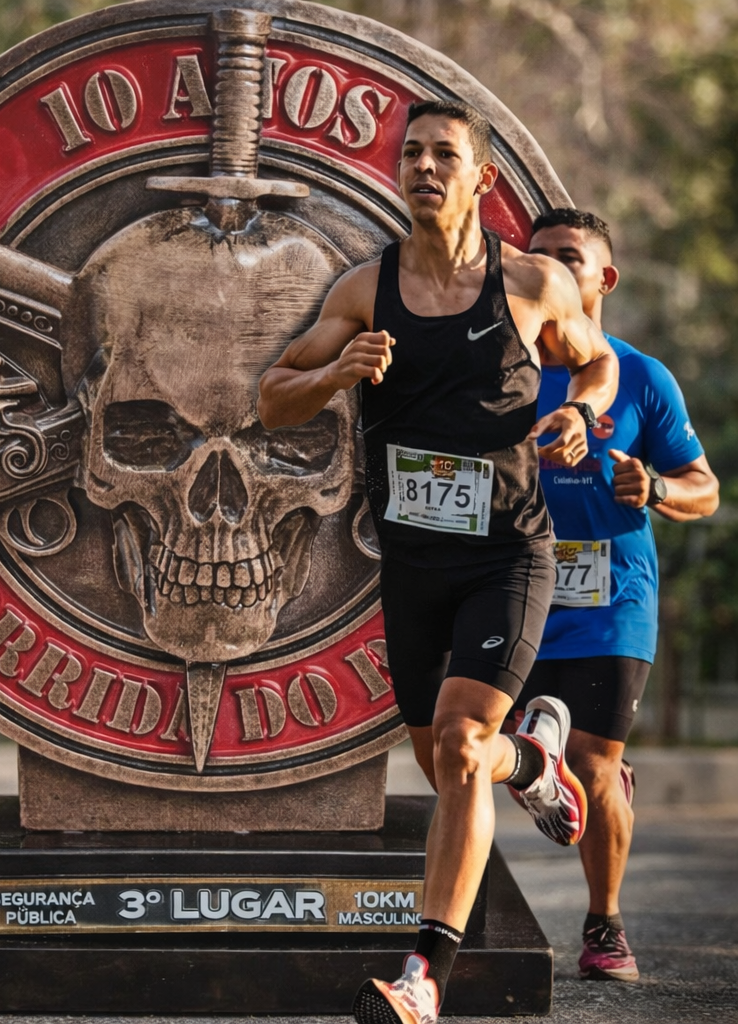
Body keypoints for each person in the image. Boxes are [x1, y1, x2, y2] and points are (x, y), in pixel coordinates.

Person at [258, 99, 618, 1024]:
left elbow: (595, 362)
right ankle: (531, 759)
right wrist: (336, 376)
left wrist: (579, 413)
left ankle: (424, 978)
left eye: (444, 155)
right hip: (413, 567)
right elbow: (273, 399)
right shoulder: (362, 291)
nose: (423, 167)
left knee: (459, 749)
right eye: (411, 153)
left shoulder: (533, 283)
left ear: (482, 177)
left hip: (509, 553)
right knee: (449, 762)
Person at [514, 208, 719, 982]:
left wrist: (656, 485)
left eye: (570, 258)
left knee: (594, 764)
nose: (553, 272)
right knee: (512, 756)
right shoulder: (505, 370)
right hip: (517, 588)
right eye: (538, 259)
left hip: (612, 597)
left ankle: (604, 926)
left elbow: (706, 490)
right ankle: (579, 778)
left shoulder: (641, 376)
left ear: (605, 278)